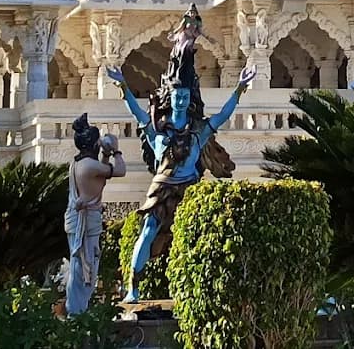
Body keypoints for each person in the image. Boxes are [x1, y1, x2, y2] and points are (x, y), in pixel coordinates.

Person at [106, 16, 255, 306]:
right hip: (162, 188)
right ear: (170, 98)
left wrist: (240, 88)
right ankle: (132, 288)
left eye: (186, 96)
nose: (182, 100)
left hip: (190, 188)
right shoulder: (157, 130)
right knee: (148, 231)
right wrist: (123, 85)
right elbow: (136, 112)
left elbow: (222, 116)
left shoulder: (198, 131)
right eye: (178, 96)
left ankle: (206, 285)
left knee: (201, 234)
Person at [64, 114, 125, 316]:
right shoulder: (90, 166)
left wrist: (105, 154)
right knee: (83, 266)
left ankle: (79, 308)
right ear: (93, 144)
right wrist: (116, 150)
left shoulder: (79, 164)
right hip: (86, 221)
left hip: (82, 220)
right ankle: (76, 311)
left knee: (84, 264)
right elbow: (120, 171)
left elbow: (101, 177)